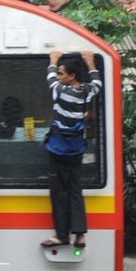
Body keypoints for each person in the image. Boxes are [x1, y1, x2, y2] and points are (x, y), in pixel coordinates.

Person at [42, 51, 102, 249]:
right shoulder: (86, 92)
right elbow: (97, 83)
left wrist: (52, 59)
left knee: (59, 192)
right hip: (76, 150)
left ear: (71, 75)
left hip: (58, 150)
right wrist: (90, 61)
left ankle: (62, 234)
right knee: (76, 191)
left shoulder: (60, 91)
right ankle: (80, 235)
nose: (58, 76)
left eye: (61, 73)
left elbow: (49, 78)